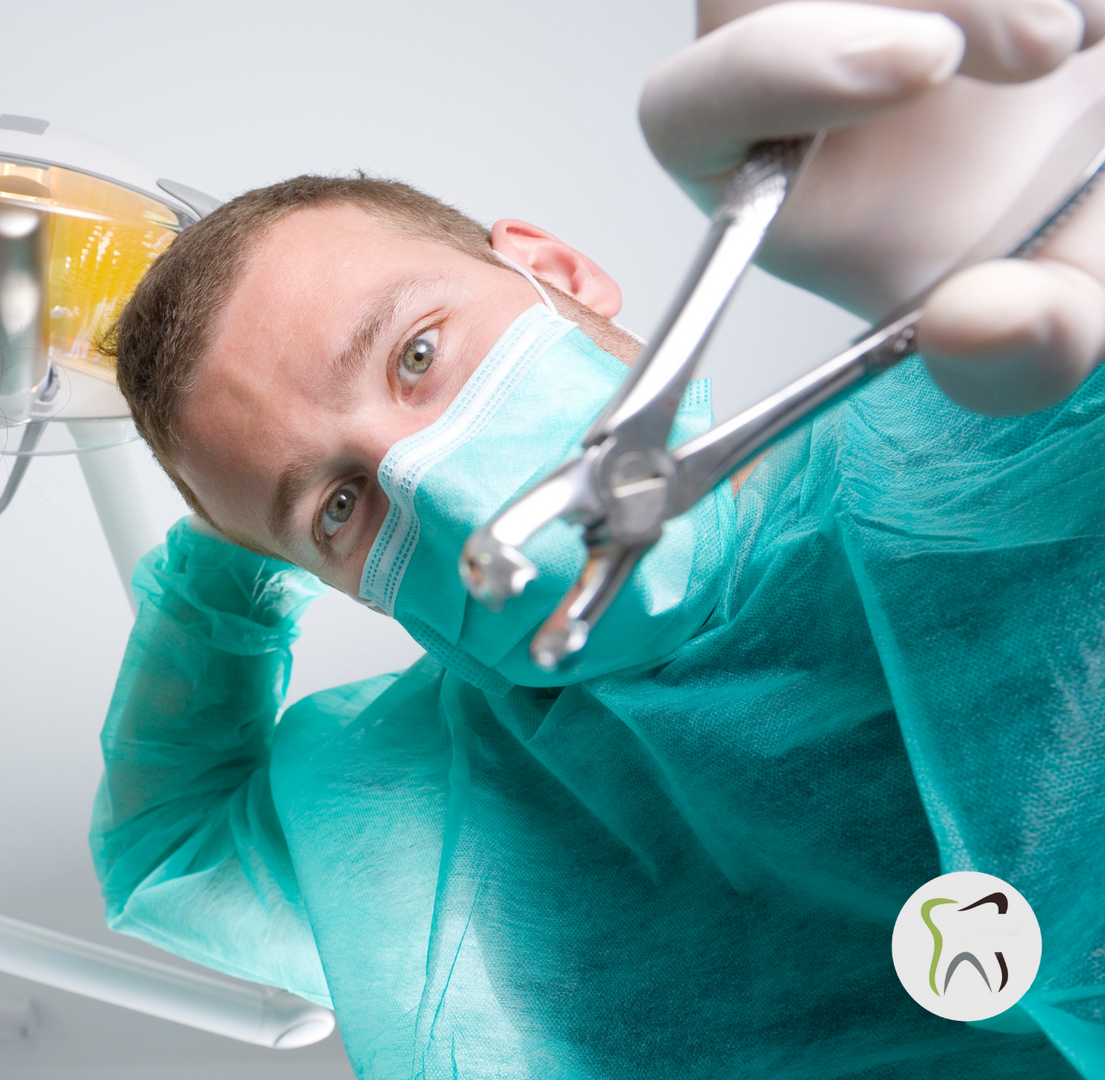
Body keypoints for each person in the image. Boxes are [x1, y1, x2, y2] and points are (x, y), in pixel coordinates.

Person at [89, 3, 1105, 1077]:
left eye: (418, 354)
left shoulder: (1003, 424)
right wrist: (228, 539)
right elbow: (169, 848)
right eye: (341, 508)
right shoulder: (410, 806)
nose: (436, 487)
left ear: (560, 273)